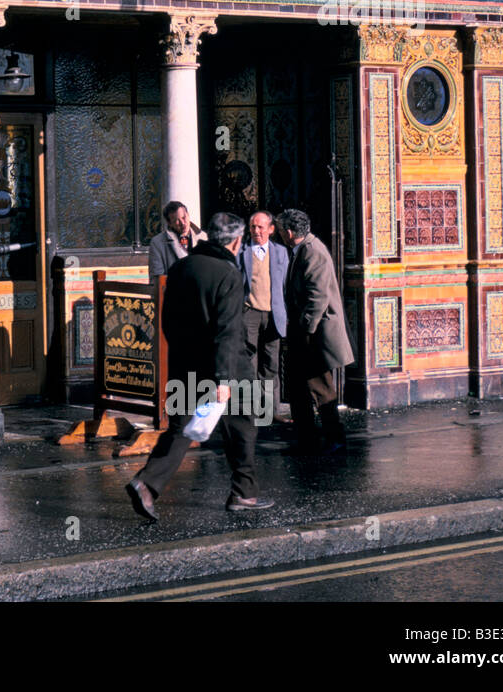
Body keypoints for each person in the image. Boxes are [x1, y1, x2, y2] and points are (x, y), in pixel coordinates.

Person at [125, 212, 275, 521]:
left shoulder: (180, 267)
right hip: (227, 367)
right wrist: (222, 379)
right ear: (234, 242)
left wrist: (181, 355)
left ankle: (147, 483)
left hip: (185, 361)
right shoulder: (228, 273)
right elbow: (228, 330)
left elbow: (167, 320)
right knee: (243, 425)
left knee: (181, 428)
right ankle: (243, 494)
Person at [276, 208, 353, 454]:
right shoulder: (303, 250)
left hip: (313, 333)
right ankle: (306, 437)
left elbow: (317, 297)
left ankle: (334, 437)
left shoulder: (313, 251)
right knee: (298, 386)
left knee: (319, 386)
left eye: (280, 230)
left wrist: (304, 328)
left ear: (289, 232)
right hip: (304, 330)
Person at [237, 210, 291, 423]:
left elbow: (286, 284)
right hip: (249, 313)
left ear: (271, 229)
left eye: (260, 227)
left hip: (273, 314)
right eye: (252, 227)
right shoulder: (241, 252)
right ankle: (250, 411)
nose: (256, 231)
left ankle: (270, 411)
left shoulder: (280, 252)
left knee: (270, 364)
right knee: (249, 363)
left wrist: (286, 312)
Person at [148, 200, 208, 278]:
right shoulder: (157, 243)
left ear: (188, 215)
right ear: (169, 223)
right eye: (177, 220)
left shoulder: (204, 237)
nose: (182, 223)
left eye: (184, 217)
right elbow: (156, 277)